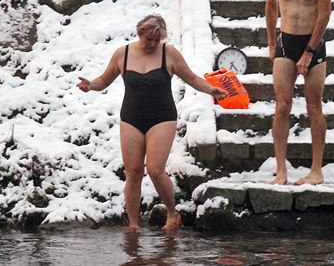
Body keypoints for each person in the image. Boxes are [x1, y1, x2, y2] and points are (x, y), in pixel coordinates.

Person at [77, 14, 227, 230]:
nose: (154, 44)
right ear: (140, 34)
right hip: (131, 118)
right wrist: (90, 84)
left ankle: (172, 215)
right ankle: (134, 224)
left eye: (158, 40)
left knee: (155, 170)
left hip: (162, 117)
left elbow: (192, 78)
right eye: (150, 40)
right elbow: (104, 80)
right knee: (133, 172)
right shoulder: (123, 53)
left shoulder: (169, 53)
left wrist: (210, 89)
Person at [265, 0, 332, 185]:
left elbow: (324, 14)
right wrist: (271, 42)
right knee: (282, 106)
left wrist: (309, 52)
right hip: (286, 40)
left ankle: (316, 170)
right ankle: (281, 170)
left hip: (313, 42)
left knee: (314, 106)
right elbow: (271, 6)